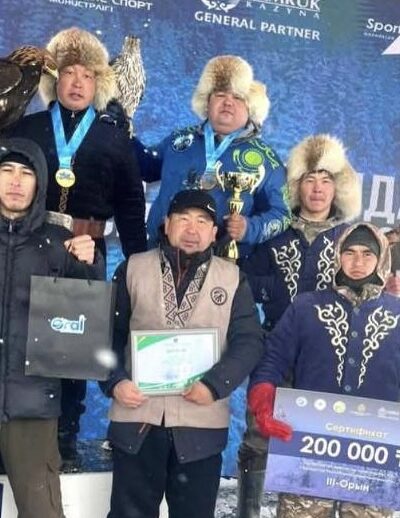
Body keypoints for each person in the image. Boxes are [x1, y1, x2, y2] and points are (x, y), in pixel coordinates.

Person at [3, 27, 147, 460]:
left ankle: (63, 440)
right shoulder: (26, 128)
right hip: (27, 250)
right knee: (18, 343)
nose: (78, 82)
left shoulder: (114, 137)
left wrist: (138, 264)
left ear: (99, 82)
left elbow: (130, 204)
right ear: (56, 80)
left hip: (86, 254)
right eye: (69, 72)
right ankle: (10, 438)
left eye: (87, 75)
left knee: (71, 349)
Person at [100, 189, 264, 518]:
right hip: (137, 421)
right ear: (166, 223)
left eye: (202, 221)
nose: (192, 229)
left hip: (200, 426)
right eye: (183, 219)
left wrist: (214, 386)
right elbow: (104, 335)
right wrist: (115, 381)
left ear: (214, 232)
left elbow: (249, 342)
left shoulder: (233, 279)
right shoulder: (133, 269)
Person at [236, 134, 362, 518]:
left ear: (338, 189)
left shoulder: (349, 240)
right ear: (296, 186)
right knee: (259, 434)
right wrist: (273, 292)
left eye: (326, 180)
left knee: (316, 440)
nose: (318, 189)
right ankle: (248, 511)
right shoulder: (273, 232)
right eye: (310, 179)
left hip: (327, 357)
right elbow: (245, 282)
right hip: (274, 347)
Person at [248, 222, 397, 518]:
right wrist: (263, 396)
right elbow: (273, 358)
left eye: (367, 254)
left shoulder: (397, 314)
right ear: (337, 255)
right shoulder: (306, 307)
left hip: (374, 456)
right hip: (309, 449)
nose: (357, 262)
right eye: (349, 252)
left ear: (381, 258)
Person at [0, 137, 103, 518]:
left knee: (42, 510)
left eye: (26, 173)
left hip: (31, 403)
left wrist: (89, 265)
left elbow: (85, 317)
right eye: (6, 171)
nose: (15, 181)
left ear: (40, 182)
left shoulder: (59, 242)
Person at [143, 55, 290, 258]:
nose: (228, 102)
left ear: (250, 108)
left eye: (237, 97)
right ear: (207, 102)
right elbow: (144, 168)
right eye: (220, 94)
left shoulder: (266, 158)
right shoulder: (179, 140)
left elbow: (283, 214)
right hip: (160, 253)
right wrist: (123, 131)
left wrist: (248, 228)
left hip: (223, 263)